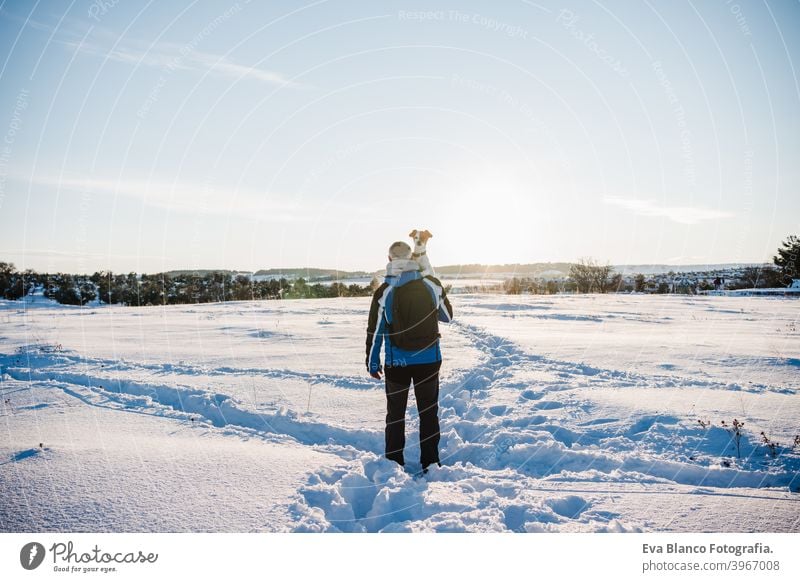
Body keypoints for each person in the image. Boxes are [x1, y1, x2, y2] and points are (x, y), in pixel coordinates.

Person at [366, 240, 453, 473]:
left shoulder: (384, 291)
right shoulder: (430, 284)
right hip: (429, 361)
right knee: (428, 413)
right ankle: (431, 463)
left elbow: (376, 331)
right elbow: (447, 317)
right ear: (412, 259)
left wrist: (372, 361)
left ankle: (394, 464)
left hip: (397, 364)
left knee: (395, 414)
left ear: (389, 260)